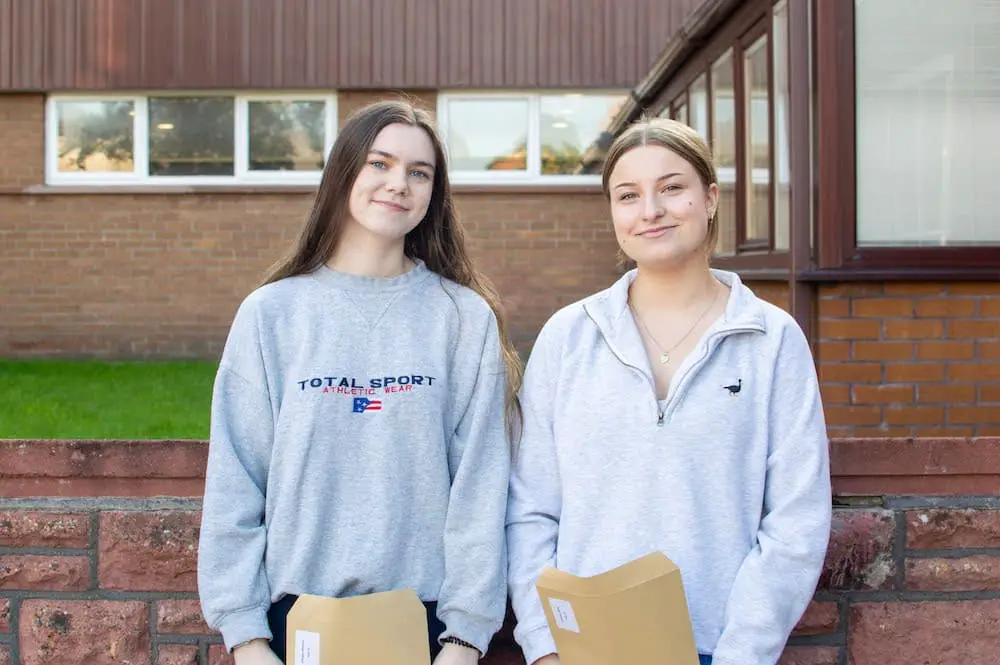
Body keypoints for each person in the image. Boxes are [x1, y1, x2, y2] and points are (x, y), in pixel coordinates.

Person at [197, 99, 522, 665]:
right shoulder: (272, 314)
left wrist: (465, 638)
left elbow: (480, 487)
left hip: (426, 624)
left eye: (419, 173)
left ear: (433, 194)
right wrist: (246, 638)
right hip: (293, 621)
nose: (399, 183)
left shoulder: (462, 318)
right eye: (380, 163)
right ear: (344, 171)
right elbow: (236, 481)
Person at [506, 117, 831, 665]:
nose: (650, 210)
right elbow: (530, 507)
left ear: (709, 198)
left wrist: (742, 654)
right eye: (628, 195)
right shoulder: (568, 335)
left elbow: (796, 519)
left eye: (671, 187)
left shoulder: (772, 339)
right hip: (583, 649)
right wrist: (544, 645)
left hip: (716, 650)